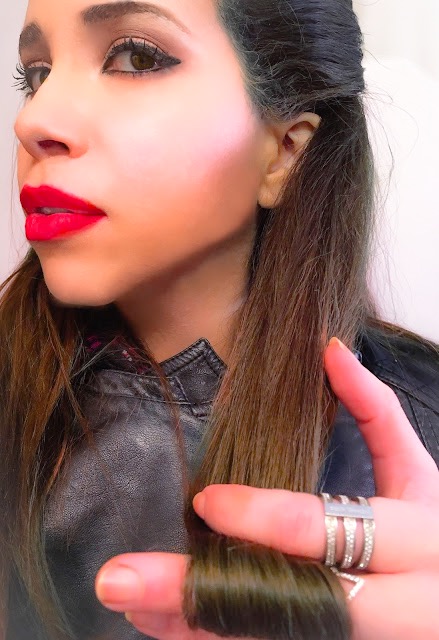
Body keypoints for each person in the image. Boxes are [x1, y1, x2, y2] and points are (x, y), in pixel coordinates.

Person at [1, 0, 438, 639]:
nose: (34, 120)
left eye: (135, 57)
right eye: (36, 74)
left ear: (284, 150)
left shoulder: (421, 426)